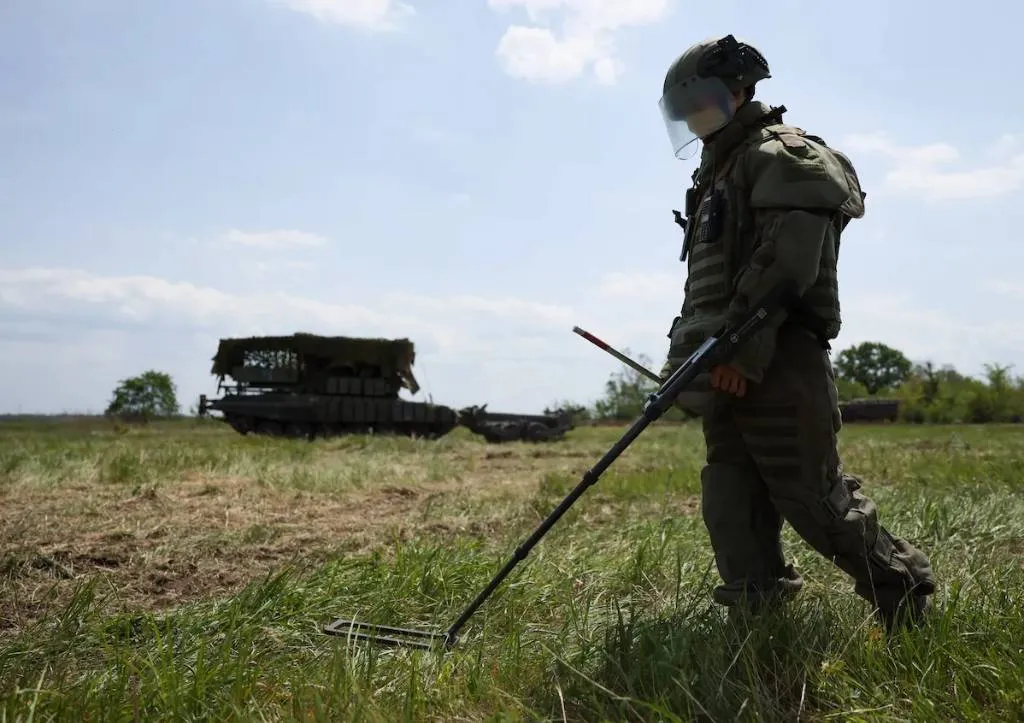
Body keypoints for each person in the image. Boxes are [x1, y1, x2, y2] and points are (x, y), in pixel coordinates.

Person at [656, 34, 935, 633]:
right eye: (687, 110)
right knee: (731, 499)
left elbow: (787, 266)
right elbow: (711, 285)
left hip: (775, 357)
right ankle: (758, 614)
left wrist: (741, 350)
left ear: (740, 92)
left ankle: (904, 593)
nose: (695, 119)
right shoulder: (718, 172)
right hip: (725, 361)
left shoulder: (786, 156)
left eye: (703, 103)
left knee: (813, 499)